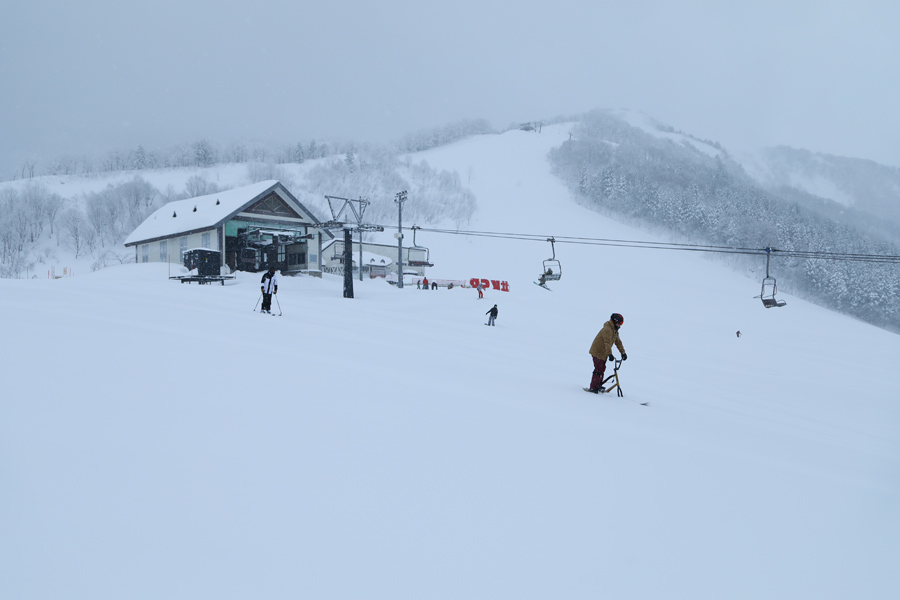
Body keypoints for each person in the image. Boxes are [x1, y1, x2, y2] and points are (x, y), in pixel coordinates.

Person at [587, 313, 627, 393]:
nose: (620, 325)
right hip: (597, 351)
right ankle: (593, 387)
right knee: (598, 369)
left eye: (621, 323)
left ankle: (598, 385)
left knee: (602, 369)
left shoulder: (614, 330)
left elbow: (618, 342)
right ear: (615, 321)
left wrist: (623, 352)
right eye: (620, 323)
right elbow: (607, 343)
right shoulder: (607, 329)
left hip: (603, 352)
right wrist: (610, 354)